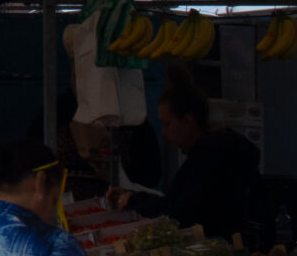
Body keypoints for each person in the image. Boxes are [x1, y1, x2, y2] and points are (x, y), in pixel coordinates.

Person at [110, 78, 261, 240]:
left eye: (167, 124)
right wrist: (132, 196)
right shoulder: (218, 147)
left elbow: (179, 212)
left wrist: (135, 200)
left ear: (188, 121)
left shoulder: (209, 155)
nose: (163, 133)